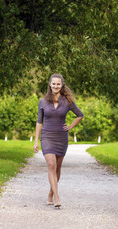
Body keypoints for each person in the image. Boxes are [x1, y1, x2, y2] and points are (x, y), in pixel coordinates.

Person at [33, 73, 84, 208]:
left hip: (61, 137)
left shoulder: (67, 101)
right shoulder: (43, 101)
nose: (56, 86)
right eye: (53, 83)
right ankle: (57, 197)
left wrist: (70, 127)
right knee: (51, 165)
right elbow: (39, 122)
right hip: (47, 137)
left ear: (62, 86)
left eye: (58, 84)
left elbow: (80, 115)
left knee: (58, 168)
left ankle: (50, 193)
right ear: (50, 84)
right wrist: (36, 141)